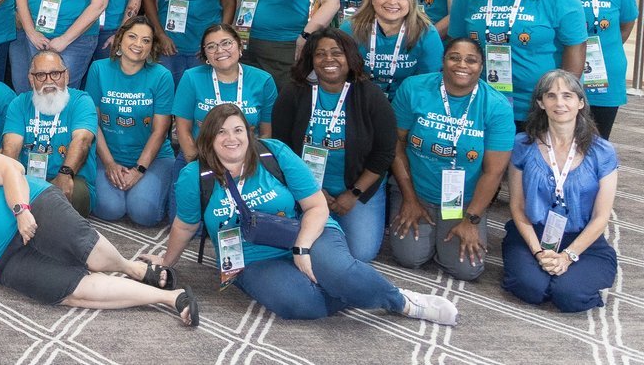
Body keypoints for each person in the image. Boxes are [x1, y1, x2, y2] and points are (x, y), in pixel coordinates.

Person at [148, 104, 458, 324]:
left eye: (238, 129)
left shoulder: (273, 153)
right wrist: (166, 263)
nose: (232, 138)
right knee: (299, 305)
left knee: (340, 272)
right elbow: (185, 226)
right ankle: (359, 289)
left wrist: (302, 248)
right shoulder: (193, 176)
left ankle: (402, 302)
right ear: (208, 139)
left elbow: (316, 206)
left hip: (306, 231)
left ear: (249, 132)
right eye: (221, 132)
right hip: (251, 256)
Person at [0, 114, 195, 323]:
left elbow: (9, 169)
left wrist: (21, 211)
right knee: (71, 292)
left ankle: (131, 268)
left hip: (29, 207)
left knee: (88, 252)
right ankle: (169, 298)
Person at [388, 38, 515, 281]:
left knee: (466, 269)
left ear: (481, 66)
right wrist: (410, 199)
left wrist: (472, 220)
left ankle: (442, 234)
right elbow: (396, 143)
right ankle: (432, 231)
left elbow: (494, 172)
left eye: (471, 60)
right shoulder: (414, 88)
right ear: (443, 61)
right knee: (409, 257)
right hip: (416, 189)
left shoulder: (497, 106)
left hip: (464, 199)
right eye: (454, 57)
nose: (462, 65)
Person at [271, 29, 396, 262]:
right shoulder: (294, 92)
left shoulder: (370, 95)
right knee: (291, 244)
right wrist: (311, 191)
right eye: (320, 54)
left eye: (337, 53)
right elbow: (280, 147)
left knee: (360, 253)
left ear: (350, 57)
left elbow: (385, 152)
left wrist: (354, 193)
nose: (328, 59)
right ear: (311, 60)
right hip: (304, 187)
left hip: (357, 188)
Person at [448, 0, 586, 124]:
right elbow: (457, 42)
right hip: (483, 102)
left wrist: (562, 100)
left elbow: (575, 46)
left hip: (540, 107)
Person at [503, 71, 618, 312]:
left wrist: (567, 256)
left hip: (582, 239)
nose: (559, 103)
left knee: (570, 296)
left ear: (580, 102)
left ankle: (565, 275)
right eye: (551, 96)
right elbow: (517, 206)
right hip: (532, 234)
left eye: (567, 96)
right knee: (531, 289)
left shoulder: (603, 152)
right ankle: (545, 271)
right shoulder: (522, 144)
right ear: (540, 103)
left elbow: (601, 217)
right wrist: (538, 252)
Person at [547, 0, 635, 138]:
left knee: (596, 144)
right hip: (557, 75)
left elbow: (626, 24)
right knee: (557, 143)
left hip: (604, 77)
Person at [85, 18, 177, 227]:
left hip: (153, 158)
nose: (138, 44)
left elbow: (160, 131)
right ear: (119, 39)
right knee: (110, 208)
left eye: (146, 40)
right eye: (132, 37)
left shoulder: (162, 76)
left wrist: (139, 170)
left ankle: (151, 190)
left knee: (143, 212)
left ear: (152, 47)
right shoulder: (98, 69)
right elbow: (93, 122)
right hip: (107, 154)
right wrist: (109, 164)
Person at [0, 49, 99, 216]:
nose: (48, 81)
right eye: (40, 75)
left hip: (71, 177)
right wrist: (11, 183)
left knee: (70, 197)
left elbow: (82, 140)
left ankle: (26, 216)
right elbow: (11, 149)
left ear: (66, 75)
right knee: (2, 194)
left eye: (55, 74)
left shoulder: (81, 101)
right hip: (28, 179)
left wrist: (65, 174)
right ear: (31, 79)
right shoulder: (19, 103)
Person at [173, 24, 277, 160]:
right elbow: (183, 130)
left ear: (240, 46)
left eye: (226, 43)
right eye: (211, 46)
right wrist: (197, 165)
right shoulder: (191, 78)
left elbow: (266, 134)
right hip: (200, 157)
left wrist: (250, 165)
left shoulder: (263, 80)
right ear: (205, 54)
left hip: (248, 160)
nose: (220, 50)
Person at [347, 0, 442, 99]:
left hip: (407, 101)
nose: (392, 2)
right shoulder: (350, 29)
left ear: (411, 1)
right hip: (359, 98)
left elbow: (429, 84)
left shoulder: (426, 33)